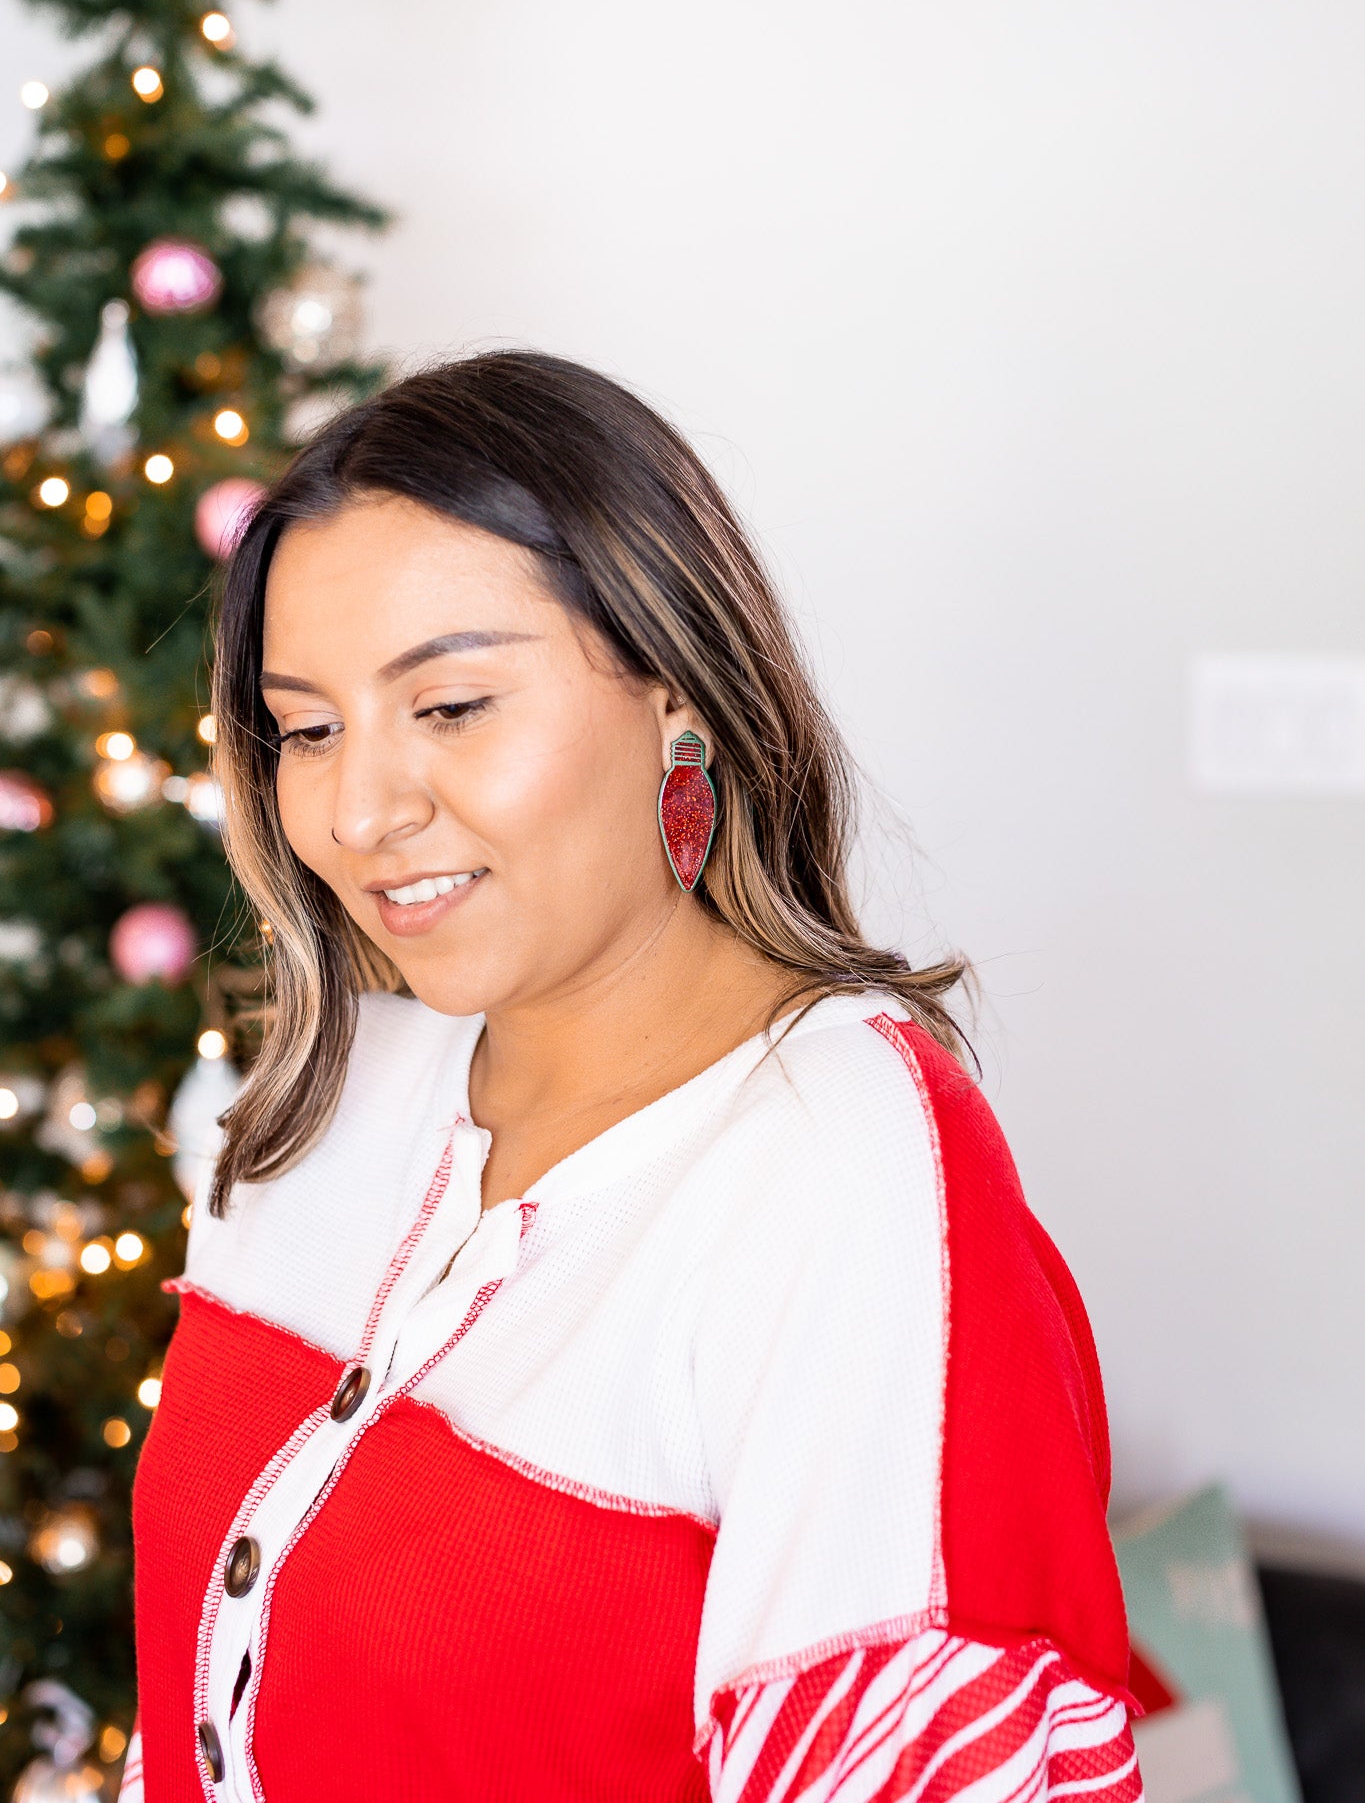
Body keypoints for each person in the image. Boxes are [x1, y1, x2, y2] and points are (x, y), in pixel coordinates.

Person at [124, 353, 1143, 1803]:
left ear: (678, 695)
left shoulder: (841, 1177)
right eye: (306, 728)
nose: (358, 812)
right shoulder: (325, 1105)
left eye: (454, 705)